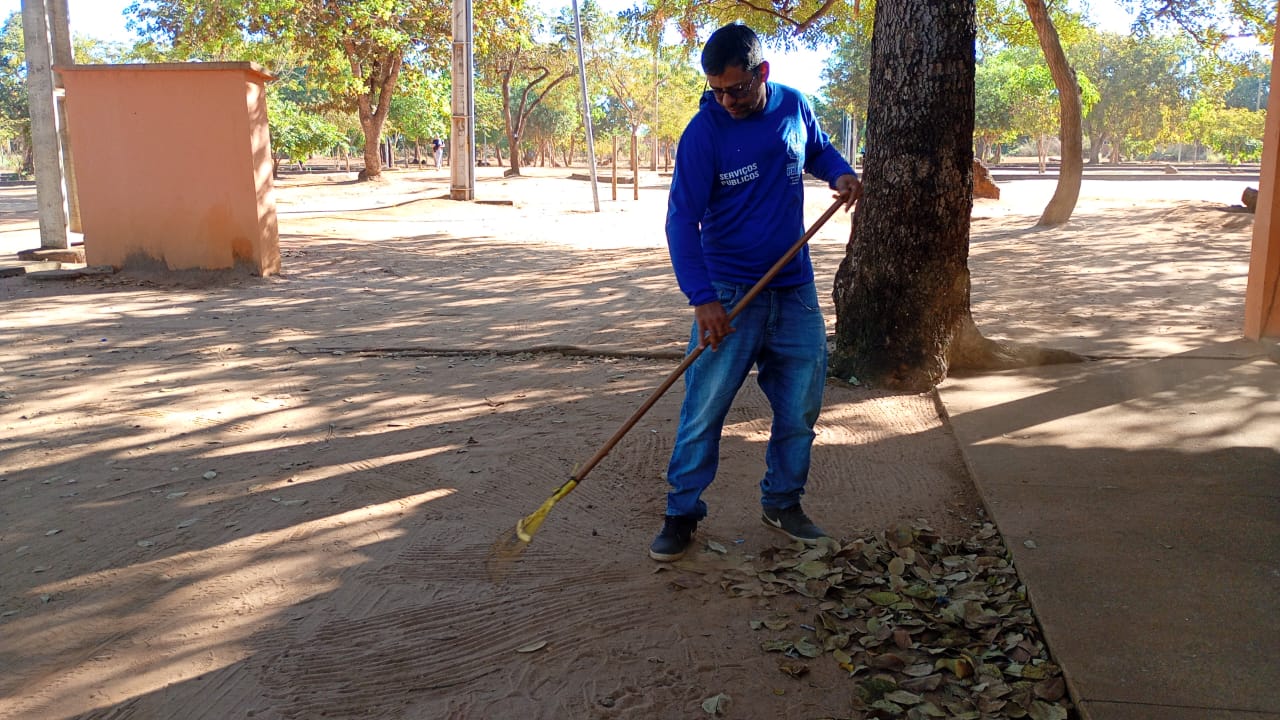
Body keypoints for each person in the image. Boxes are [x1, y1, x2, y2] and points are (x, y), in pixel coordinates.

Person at [651, 23, 862, 562]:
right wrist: (703, 298)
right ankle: (681, 512)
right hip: (727, 292)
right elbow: (681, 222)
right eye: (716, 89)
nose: (726, 100)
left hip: (793, 290)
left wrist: (839, 174)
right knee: (704, 410)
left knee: (800, 409)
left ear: (762, 74)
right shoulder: (705, 132)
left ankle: (783, 502)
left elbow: (816, 149)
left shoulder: (793, 105)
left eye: (736, 89)